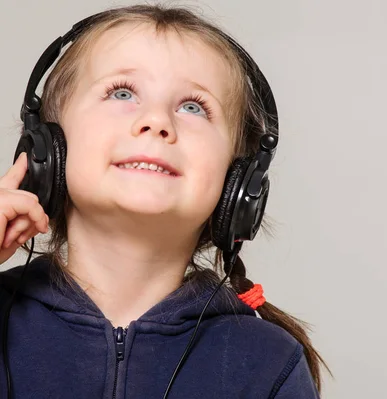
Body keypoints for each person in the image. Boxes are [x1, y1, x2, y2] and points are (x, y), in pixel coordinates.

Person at [0, 4, 328, 398]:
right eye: (122, 92)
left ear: (238, 183)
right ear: (48, 151)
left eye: (193, 107)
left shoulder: (269, 362)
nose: (156, 121)